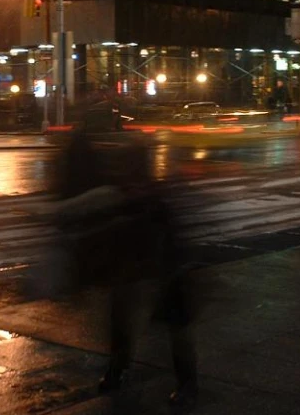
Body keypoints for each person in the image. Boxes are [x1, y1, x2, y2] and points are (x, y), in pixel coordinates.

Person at [53, 129, 199, 410]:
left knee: (157, 329)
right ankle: (133, 373)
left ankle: (142, 375)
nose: (121, 167)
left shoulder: (144, 196)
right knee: (137, 325)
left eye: (126, 162)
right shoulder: (130, 194)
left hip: (152, 273)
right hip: (140, 273)